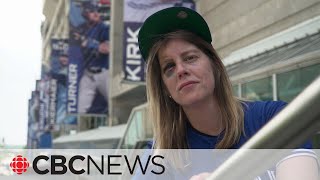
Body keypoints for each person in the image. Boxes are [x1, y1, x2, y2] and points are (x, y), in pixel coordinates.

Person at [136, 7, 318, 180]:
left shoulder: (272, 119)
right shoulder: (160, 155)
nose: (181, 70)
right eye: (169, 67)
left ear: (214, 65)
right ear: (165, 88)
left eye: (190, 58)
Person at [75, 1, 110, 114]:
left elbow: (107, 48)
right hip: (88, 75)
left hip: (104, 73)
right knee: (80, 112)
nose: (95, 13)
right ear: (85, 14)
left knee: (114, 102)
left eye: (96, 11)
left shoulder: (103, 28)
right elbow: (75, 41)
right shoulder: (80, 28)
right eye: (91, 11)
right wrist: (94, 44)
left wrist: (88, 42)